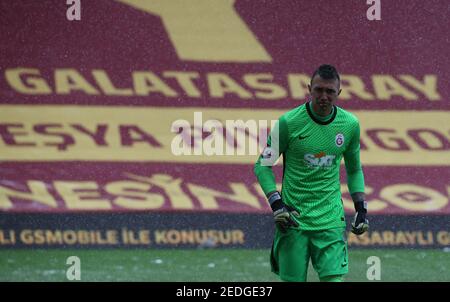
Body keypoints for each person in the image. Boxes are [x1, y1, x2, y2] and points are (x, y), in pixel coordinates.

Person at [254, 64, 369, 282]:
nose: (324, 96)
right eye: (318, 90)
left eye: (330, 91)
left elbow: (354, 170)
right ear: (309, 89)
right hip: (293, 220)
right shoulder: (288, 123)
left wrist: (361, 208)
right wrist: (276, 203)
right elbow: (262, 165)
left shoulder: (350, 125)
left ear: (339, 93)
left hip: (331, 221)